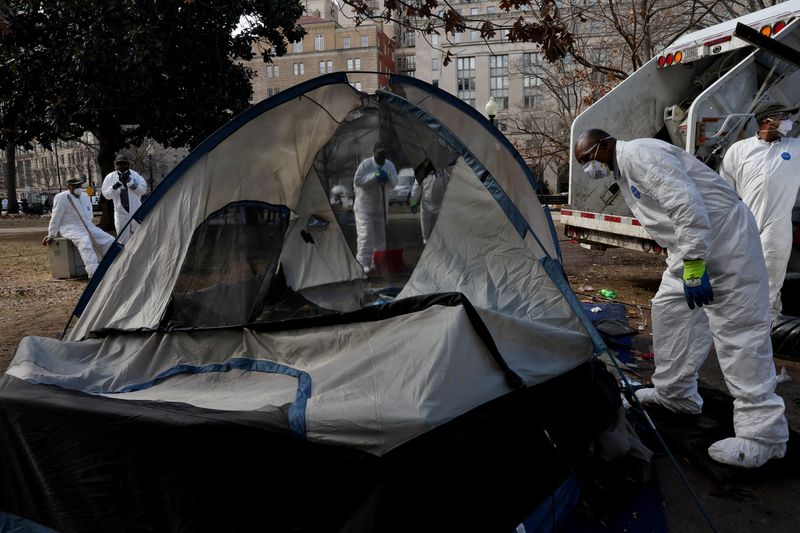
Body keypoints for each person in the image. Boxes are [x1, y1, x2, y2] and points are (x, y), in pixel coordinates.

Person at [574, 129, 788, 468]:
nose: (589, 169)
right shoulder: (625, 166)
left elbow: (685, 203)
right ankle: (675, 394)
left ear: (603, 146)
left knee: (739, 332)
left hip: (726, 243)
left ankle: (764, 435)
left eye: (587, 160)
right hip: (695, 246)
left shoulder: (640, 155)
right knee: (671, 311)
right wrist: (687, 257)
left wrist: (693, 263)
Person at [719, 104, 800, 321]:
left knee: (771, 278)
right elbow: (726, 190)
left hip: (777, 225)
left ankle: (767, 326)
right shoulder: (740, 150)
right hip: (746, 223)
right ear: (767, 120)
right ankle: (742, 323)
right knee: (743, 277)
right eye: (783, 117)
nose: (788, 121)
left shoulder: (795, 148)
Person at [43, 177, 115, 278]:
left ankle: (111, 265)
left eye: (79, 185)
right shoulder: (62, 197)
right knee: (85, 242)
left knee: (109, 240)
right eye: (75, 185)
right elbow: (56, 216)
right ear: (69, 187)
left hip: (87, 225)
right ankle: (94, 273)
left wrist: (89, 225)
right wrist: (52, 233)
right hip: (70, 227)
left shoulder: (84, 196)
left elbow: (88, 212)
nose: (78, 187)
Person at [353, 142, 398, 273]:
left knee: (380, 237)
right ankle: (362, 264)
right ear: (373, 152)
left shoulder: (389, 165)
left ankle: (377, 262)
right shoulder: (366, 165)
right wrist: (374, 176)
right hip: (364, 208)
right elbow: (358, 180)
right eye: (379, 153)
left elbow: (394, 182)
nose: (382, 156)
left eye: (384, 154)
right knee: (365, 235)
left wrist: (388, 176)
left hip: (381, 207)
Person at [102, 154, 147, 244]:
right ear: (116, 165)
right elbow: (106, 195)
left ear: (127, 164)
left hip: (136, 211)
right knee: (122, 239)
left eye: (123, 164)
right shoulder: (110, 177)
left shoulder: (135, 176)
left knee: (139, 237)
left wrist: (130, 182)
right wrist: (114, 187)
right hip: (120, 214)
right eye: (119, 164)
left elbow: (143, 191)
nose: (121, 166)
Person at [410, 160, 450, 244]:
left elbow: (450, 186)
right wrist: (413, 202)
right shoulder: (421, 174)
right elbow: (415, 190)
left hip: (440, 207)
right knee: (426, 233)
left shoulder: (443, 172)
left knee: (439, 233)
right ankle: (427, 248)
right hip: (426, 208)